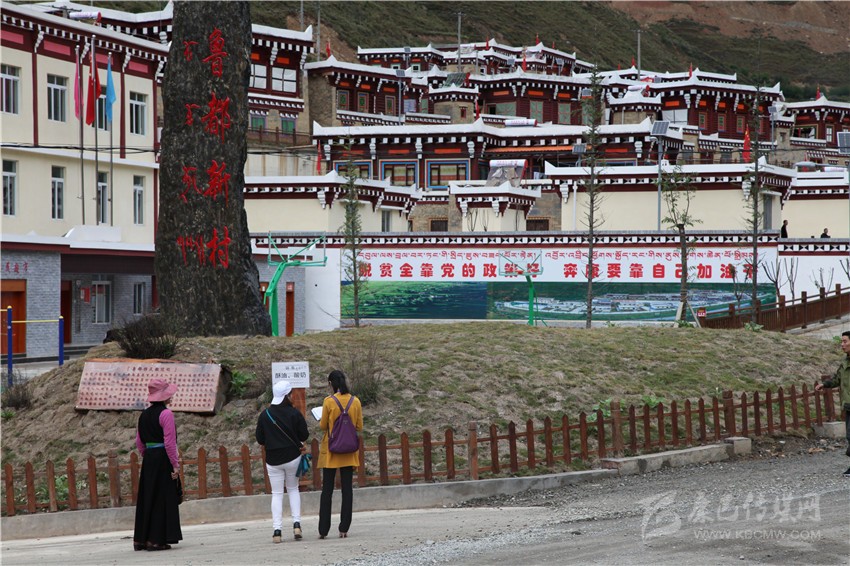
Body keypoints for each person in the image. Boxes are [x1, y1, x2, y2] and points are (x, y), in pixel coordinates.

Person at [255, 380, 309, 543]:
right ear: (287, 395)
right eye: (291, 393)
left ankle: (277, 531)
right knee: (293, 489)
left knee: (277, 494)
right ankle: (297, 525)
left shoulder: (265, 415)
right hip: (292, 457)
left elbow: (260, 439)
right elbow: (304, 435)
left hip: (273, 460)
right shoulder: (294, 413)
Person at [133, 379, 183, 551]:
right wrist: (175, 464)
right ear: (164, 396)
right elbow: (169, 443)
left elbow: (139, 442)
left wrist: (148, 456)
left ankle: (141, 539)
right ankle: (156, 540)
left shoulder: (143, 415)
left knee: (148, 497)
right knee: (161, 498)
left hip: (149, 458)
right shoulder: (166, 414)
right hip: (162, 458)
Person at [318, 370, 363, 539]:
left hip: (332, 451)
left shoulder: (329, 401)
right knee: (347, 490)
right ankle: (344, 528)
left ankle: (323, 530)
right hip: (349, 451)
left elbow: (323, 426)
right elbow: (359, 426)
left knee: (327, 491)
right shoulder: (355, 401)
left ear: (331, 384)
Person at [815, 331, 850, 477]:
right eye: (841, 341)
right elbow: (837, 379)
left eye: (845, 341)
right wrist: (825, 384)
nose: (842, 345)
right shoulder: (845, 362)